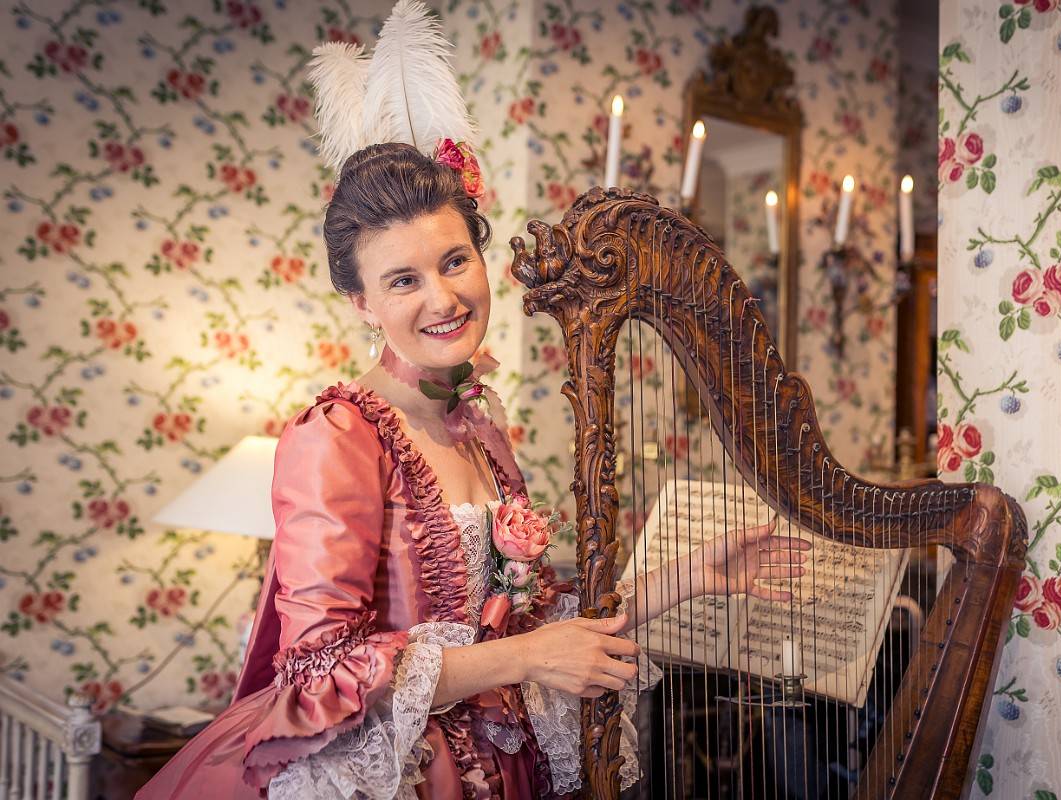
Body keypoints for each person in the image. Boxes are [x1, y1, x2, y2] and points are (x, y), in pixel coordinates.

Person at [136, 5, 808, 798]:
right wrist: (524, 659)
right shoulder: (336, 437)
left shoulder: (479, 426)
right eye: (403, 280)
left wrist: (691, 576)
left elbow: (540, 626)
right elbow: (321, 671)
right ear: (361, 302)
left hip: (501, 762)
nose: (443, 298)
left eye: (455, 261)